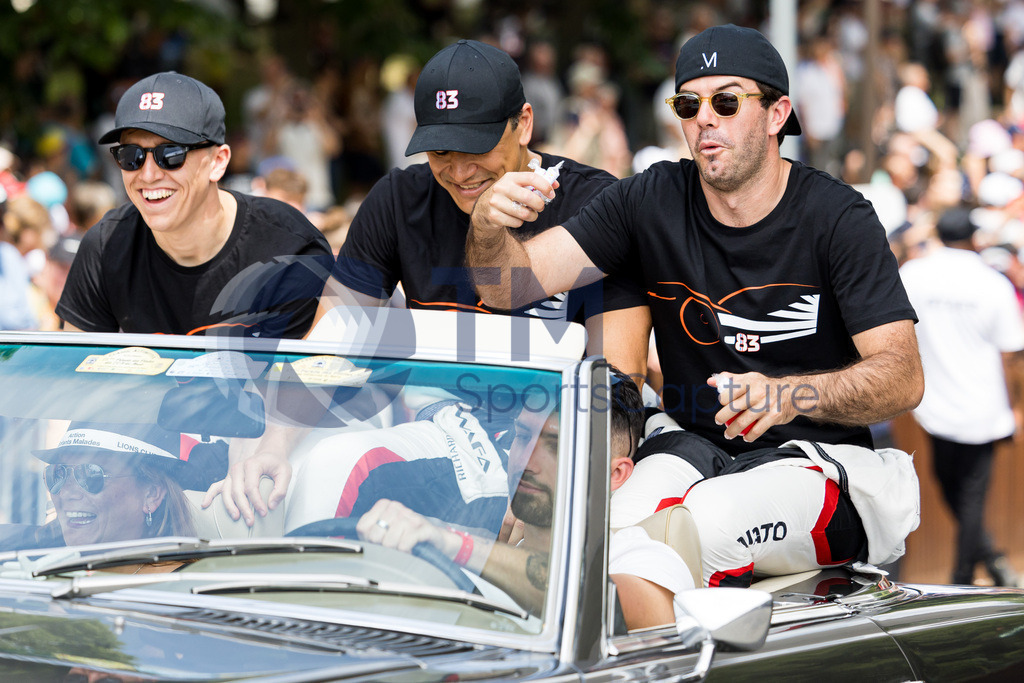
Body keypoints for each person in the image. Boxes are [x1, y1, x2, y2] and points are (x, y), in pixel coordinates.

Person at [466, 24, 924, 585]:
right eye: (689, 103)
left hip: (816, 458)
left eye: (726, 101)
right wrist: (486, 223)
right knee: (581, 527)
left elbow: (903, 378)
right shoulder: (648, 197)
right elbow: (506, 287)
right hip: (690, 447)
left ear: (778, 114)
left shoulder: (838, 217)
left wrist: (790, 394)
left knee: (703, 528)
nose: (704, 117)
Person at [312, 39, 649, 376]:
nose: (459, 172)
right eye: (440, 151)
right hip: (430, 419)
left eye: (476, 148)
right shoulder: (398, 199)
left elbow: (620, 382)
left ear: (524, 124)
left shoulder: (595, 202)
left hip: (558, 423)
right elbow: (325, 349)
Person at [356, 367, 694, 630]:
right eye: (522, 436)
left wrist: (456, 545)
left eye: (556, 446)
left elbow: (612, 607)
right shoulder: (472, 556)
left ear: (614, 475)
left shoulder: (644, 558)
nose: (526, 462)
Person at [55, 71, 333, 338]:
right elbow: (76, 376)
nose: (148, 175)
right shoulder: (106, 247)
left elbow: (305, 380)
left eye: (171, 154)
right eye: (132, 155)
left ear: (218, 162)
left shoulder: (290, 249)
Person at [900, 207, 1023, 587]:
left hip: (934, 405)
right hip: (980, 406)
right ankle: (985, 565)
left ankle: (965, 577)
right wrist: (1018, 407)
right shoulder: (991, 282)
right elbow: (1014, 352)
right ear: (973, 237)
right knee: (965, 495)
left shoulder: (914, 273)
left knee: (957, 490)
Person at [23, 422, 224, 573]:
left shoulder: (190, 591)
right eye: (58, 474)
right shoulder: (29, 567)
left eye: (91, 474)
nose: (67, 493)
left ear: (152, 494)